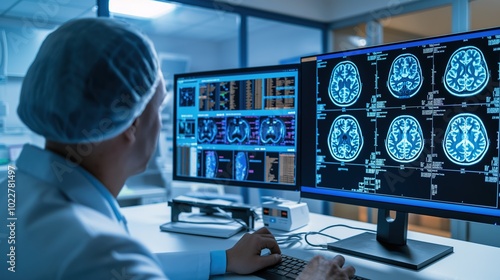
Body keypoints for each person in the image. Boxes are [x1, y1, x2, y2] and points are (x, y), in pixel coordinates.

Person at [0, 17, 355, 279]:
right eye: (158, 107)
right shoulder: (99, 252)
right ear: (132, 123)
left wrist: (222, 260)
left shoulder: (12, 194)